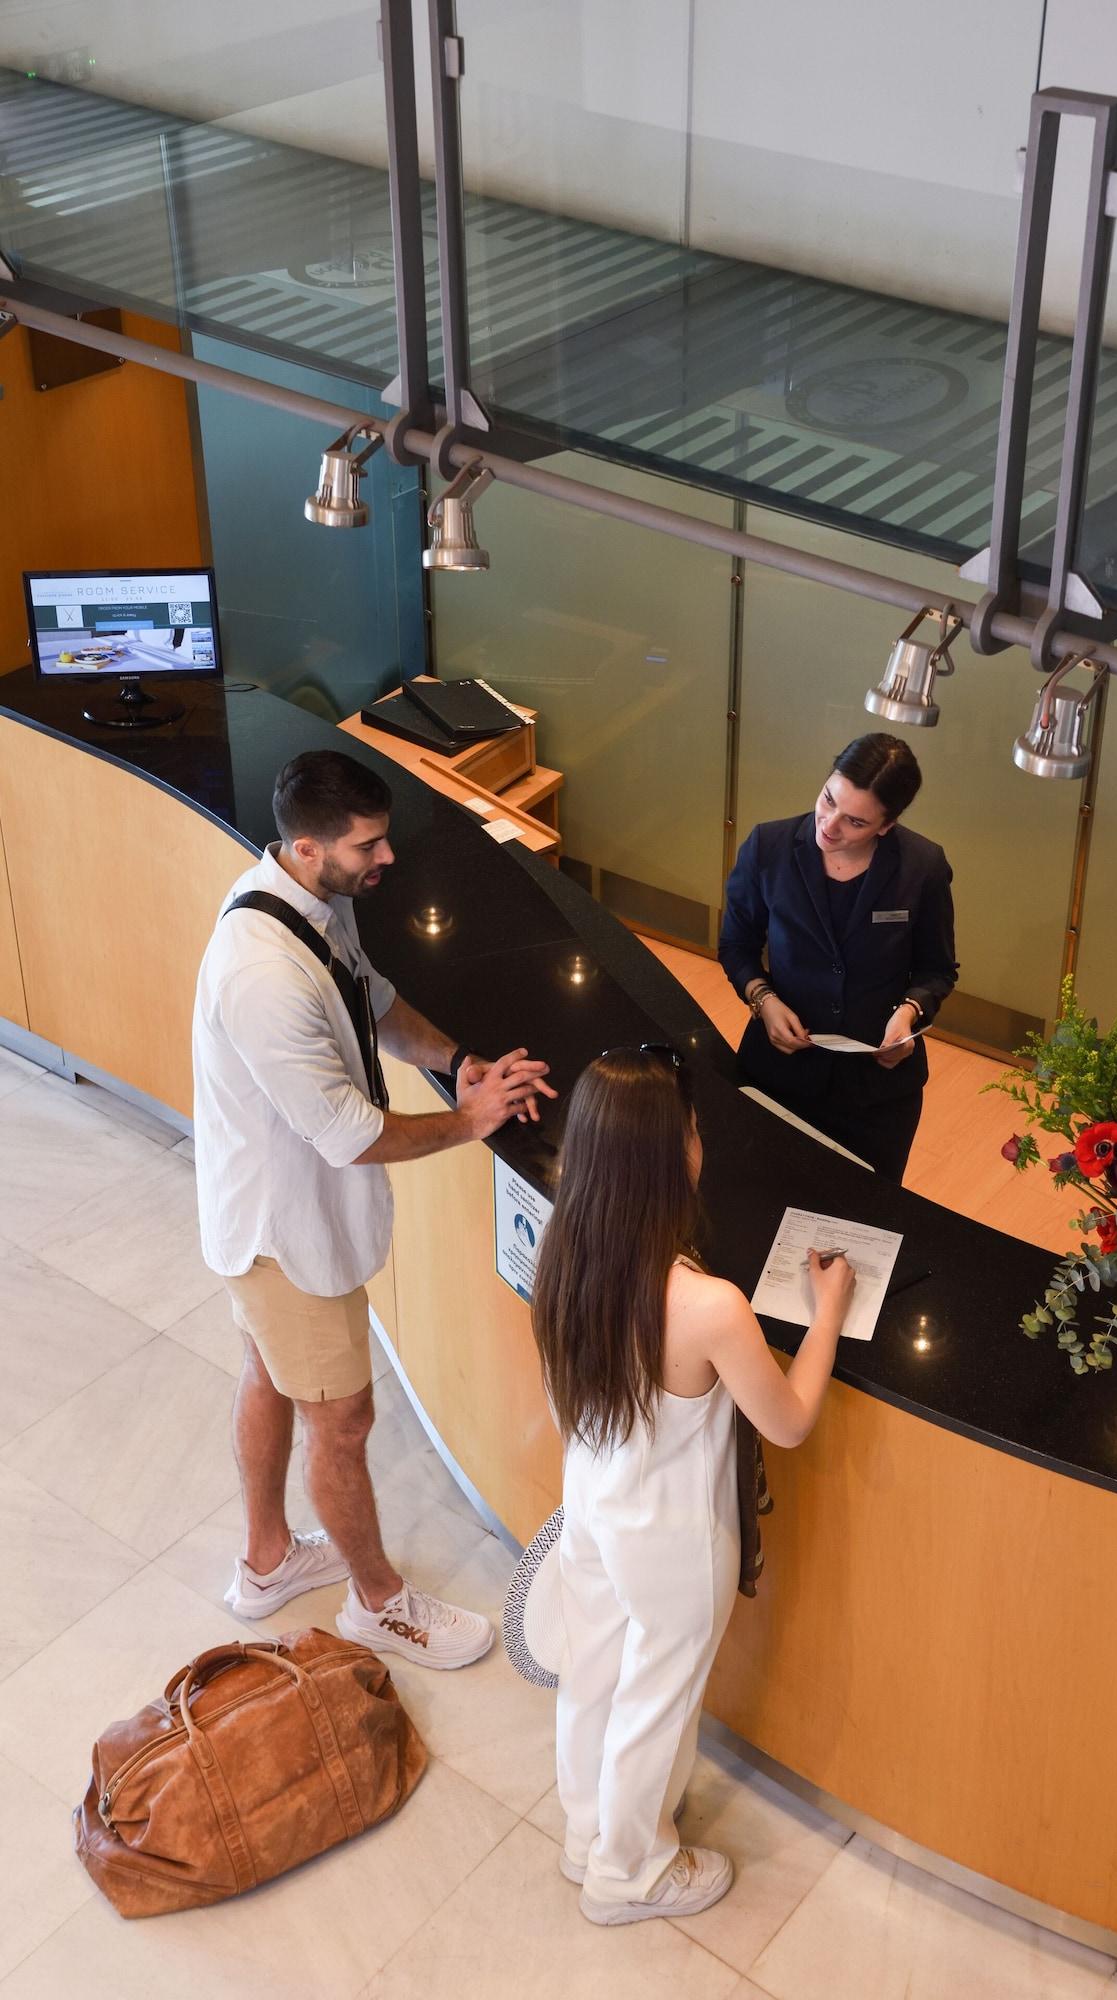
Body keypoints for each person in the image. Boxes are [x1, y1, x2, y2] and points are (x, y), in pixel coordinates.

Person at [192, 748, 555, 1669]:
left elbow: (375, 1002)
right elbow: (349, 1135)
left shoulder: (315, 902)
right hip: (286, 1231)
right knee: (341, 1421)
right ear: (307, 847)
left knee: (272, 1371)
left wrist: (455, 1061)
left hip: (280, 1211)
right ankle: (376, 1601)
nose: (386, 858)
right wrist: (467, 1121)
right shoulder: (261, 976)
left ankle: (267, 1561)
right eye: (369, 844)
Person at [531, 1045, 854, 1926]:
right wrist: (826, 1314)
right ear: (673, 1159)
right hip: (672, 1537)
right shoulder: (707, 1305)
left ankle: (584, 1834)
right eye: (693, 1131)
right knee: (657, 1702)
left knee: (593, 1675)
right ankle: (628, 1873)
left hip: (593, 1503)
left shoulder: (565, 1247)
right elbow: (786, 1419)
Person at [718, 732, 957, 1183]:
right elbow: (736, 945)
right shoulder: (768, 847)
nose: (828, 825)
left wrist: (908, 1015)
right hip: (778, 1070)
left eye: (855, 822)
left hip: (876, 1093)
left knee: (861, 1223)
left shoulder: (922, 868)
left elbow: (936, 969)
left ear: (886, 826)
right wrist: (762, 1000)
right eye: (828, 799)